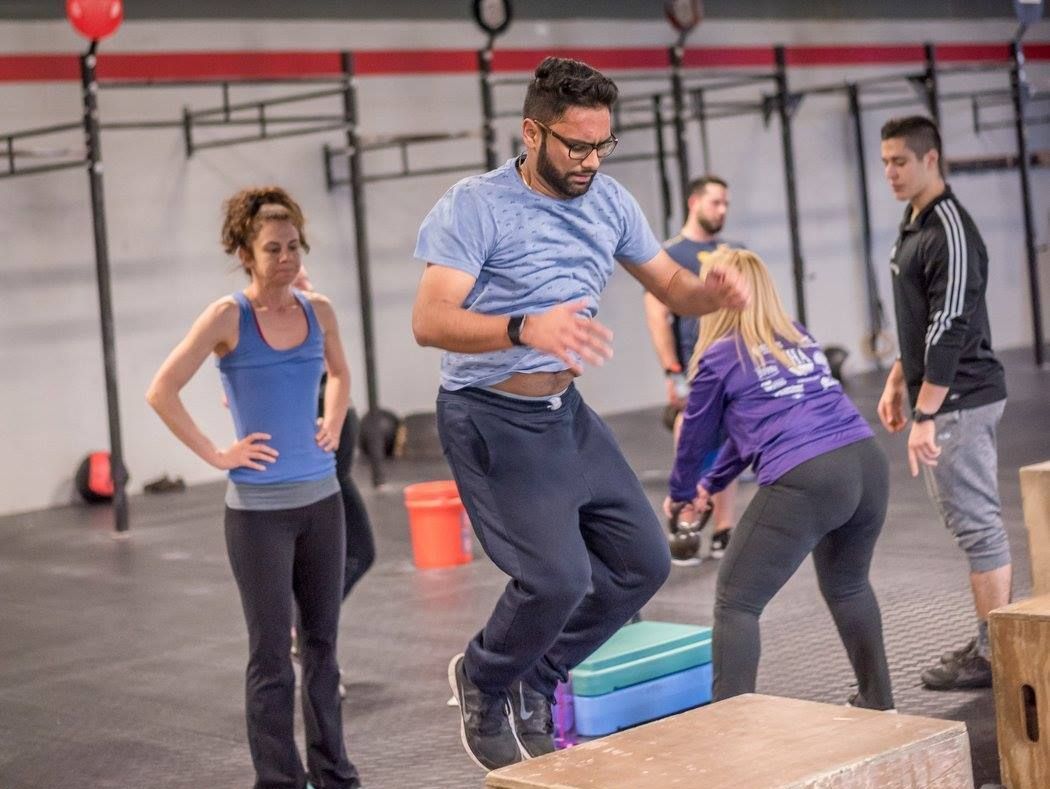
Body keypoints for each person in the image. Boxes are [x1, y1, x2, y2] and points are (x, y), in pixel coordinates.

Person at [411, 56, 748, 771]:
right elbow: (430, 319)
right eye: (576, 146)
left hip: (564, 413)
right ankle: (484, 674)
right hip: (487, 412)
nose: (592, 161)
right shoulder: (476, 205)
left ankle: (538, 674)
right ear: (531, 133)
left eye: (603, 145)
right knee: (558, 576)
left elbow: (671, 284)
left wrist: (708, 294)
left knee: (641, 561)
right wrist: (521, 326)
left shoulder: (610, 200)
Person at [146, 187, 361, 789]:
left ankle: (335, 774)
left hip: (323, 505)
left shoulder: (320, 311)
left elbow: (342, 373)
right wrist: (218, 453)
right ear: (246, 252)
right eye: (274, 248)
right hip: (258, 515)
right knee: (271, 659)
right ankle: (279, 781)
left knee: (322, 648)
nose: (288, 257)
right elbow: (161, 390)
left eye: (294, 245)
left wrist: (335, 419)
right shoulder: (227, 318)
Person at [665, 247, 895, 712]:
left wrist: (681, 494)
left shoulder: (717, 358)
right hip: (867, 463)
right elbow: (747, 431)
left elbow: (694, 435)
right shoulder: (797, 336)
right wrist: (713, 483)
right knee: (848, 585)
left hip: (807, 473)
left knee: (736, 602)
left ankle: (731, 732)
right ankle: (878, 702)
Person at [878, 116, 1010, 690]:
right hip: (940, 396)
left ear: (931, 159)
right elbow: (920, 322)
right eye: (884, 162)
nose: (890, 173)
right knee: (969, 524)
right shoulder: (914, 224)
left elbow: (950, 326)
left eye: (900, 162)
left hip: (960, 399)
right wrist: (896, 380)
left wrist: (926, 411)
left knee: (978, 527)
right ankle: (992, 639)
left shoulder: (951, 231)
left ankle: (995, 653)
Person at [644, 175, 741, 559]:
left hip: (733, 366)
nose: (722, 211)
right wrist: (672, 370)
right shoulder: (670, 255)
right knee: (690, 434)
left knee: (729, 437)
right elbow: (656, 313)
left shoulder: (734, 253)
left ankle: (725, 528)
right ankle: (686, 521)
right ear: (694, 202)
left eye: (726, 204)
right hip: (695, 369)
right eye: (716, 202)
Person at [289, 266, 376, 690]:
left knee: (360, 553)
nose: (306, 281)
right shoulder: (278, 328)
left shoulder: (313, 317)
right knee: (341, 558)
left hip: (337, 468)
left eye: (305, 274)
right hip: (319, 472)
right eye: (297, 280)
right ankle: (306, 639)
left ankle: (304, 634)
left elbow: (338, 372)